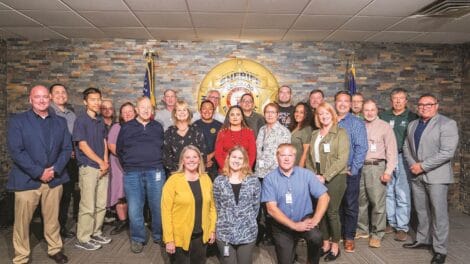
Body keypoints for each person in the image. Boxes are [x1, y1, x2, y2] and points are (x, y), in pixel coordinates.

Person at [7, 85, 72, 264]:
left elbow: (67, 149)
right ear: (31, 99)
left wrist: (54, 169)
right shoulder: (18, 121)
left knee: (53, 219)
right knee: (22, 222)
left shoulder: (60, 122)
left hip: (54, 179)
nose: (42, 100)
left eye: (45, 97)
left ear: (49, 99)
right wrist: (39, 172)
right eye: (37, 97)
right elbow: (16, 151)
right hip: (27, 180)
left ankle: (55, 249)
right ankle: (21, 256)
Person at [402, 94, 458, 264]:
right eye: (421, 104)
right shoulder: (412, 124)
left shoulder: (447, 124)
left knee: (438, 214)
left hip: (437, 176)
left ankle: (440, 249)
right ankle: (422, 239)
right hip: (416, 175)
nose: (424, 107)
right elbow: (406, 146)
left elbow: (447, 152)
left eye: (429, 104)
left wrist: (423, 166)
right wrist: (414, 165)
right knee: (421, 211)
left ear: (436, 105)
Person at [262, 143, 330, 264]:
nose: (287, 158)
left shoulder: (306, 174)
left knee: (316, 237)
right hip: (281, 225)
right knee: (286, 261)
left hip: (304, 220)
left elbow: (324, 197)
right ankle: (291, 254)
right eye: (283, 155)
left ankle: (312, 261)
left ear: (295, 157)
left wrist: (315, 219)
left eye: (290, 155)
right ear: (277, 157)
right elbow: (271, 209)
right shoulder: (269, 179)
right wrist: (294, 226)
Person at [116, 97, 166, 253]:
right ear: (136, 109)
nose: (146, 110)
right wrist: (131, 165)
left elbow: (163, 148)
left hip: (155, 171)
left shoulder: (158, 127)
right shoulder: (126, 127)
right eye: (142, 107)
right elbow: (120, 150)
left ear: (152, 110)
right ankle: (138, 238)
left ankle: (159, 235)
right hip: (133, 172)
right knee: (135, 207)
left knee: (157, 206)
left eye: (149, 107)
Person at [306, 102, 350, 261]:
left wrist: (325, 176)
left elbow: (342, 159)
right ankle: (324, 243)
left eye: (327, 113)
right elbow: (310, 159)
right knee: (321, 212)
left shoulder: (341, 133)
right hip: (317, 177)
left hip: (335, 177)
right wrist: (313, 175)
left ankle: (335, 245)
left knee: (332, 212)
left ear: (332, 114)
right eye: (320, 114)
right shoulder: (315, 134)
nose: (324, 116)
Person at [162, 145, 217, 264]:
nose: (191, 160)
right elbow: (166, 212)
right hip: (179, 238)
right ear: (182, 160)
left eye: (194, 157)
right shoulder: (173, 180)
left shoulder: (206, 178)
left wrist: (212, 230)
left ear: (199, 160)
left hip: (201, 237)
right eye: (187, 157)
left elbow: (212, 207)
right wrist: (169, 239)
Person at [73, 87, 111, 250]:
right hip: (88, 167)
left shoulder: (100, 120)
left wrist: (105, 161)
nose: (97, 102)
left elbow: (104, 142)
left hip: (102, 167)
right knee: (88, 204)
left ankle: (96, 232)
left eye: (98, 99)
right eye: (93, 99)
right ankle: (83, 237)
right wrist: (99, 162)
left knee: (101, 203)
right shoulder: (80, 120)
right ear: (85, 102)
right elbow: (82, 145)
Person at [356, 100, 397, 248]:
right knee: (361, 201)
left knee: (377, 203)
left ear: (377, 110)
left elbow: (392, 151)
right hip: (360, 167)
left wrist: (388, 171)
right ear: (362, 111)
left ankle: (377, 233)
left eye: (372, 109)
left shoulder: (385, 127)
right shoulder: (359, 125)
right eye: (366, 110)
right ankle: (362, 229)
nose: (369, 112)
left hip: (376, 167)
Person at [379, 88, 418, 241]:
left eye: (401, 98)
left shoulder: (412, 117)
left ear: (406, 101)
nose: (398, 101)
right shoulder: (383, 116)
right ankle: (392, 222)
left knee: (402, 192)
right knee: (388, 191)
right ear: (391, 100)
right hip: (386, 157)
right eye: (395, 98)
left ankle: (402, 227)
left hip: (402, 157)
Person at [213, 146, 261, 264]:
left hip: (247, 232)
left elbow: (256, 206)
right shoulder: (219, 181)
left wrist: (244, 220)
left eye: (240, 158)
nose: (236, 160)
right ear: (228, 158)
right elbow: (217, 206)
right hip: (225, 234)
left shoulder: (253, 181)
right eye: (234, 157)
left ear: (245, 161)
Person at [334, 91, 368, 253]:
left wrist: (354, 169)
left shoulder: (356, 123)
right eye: (339, 101)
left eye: (346, 101)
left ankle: (349, 237)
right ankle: (337, 235)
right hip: (331, 172)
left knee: (350, 205)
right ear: (334, 103)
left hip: (348, 172)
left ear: (350, 104)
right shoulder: (328, 119)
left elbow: (361, 147)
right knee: (334, 205)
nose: (342, 104)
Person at [49, 83, 78, 239]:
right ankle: (51, 231)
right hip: (53, 162)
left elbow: (74, 138)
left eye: (63, 92)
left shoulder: (71, 115)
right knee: (52, 198)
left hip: (70, 162)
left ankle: (61, 228)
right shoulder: (47, 112)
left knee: (66, 195)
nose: (61, 95)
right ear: (51, 96)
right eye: (57, 92)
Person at [106, 102, 136, 236]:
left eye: (130, 111)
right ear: (121, 114)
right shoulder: (116, 127)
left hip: (134, 165)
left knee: (131, 193)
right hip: (119, 164)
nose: (128, 114)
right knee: (119, 193)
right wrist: (126, 158)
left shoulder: (138, 127)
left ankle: (131, 220)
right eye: (125, 112)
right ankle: (122, 221)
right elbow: (111, 146)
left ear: (135, 113)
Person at [163, 100, 207, 174]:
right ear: (175, 114)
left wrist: (193, 169)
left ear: (188, 113)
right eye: (179, 110)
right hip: (175, 173)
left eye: (184, 110)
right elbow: (165, 155)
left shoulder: (196, 130)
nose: (182, 112)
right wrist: (178, 170)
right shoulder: (169, 131)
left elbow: (202, 154)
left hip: (194, 171)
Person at [255, 103, 291, 179]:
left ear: (277, 115)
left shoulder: (284, 132)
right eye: (267, 112)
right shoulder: (262, 129)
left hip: (275, 174)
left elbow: (285, 156)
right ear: (264, 114)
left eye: (273, 112)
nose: (270, 115)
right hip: (259, 172)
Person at [215, 105, 256, 170]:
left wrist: (246, 170)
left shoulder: (249, 132)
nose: (235, 117)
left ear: (242, 117)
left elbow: (252, 154)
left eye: (238, 114)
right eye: (232, 115)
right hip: (225, 171)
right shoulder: (222, 133)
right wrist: (226, 170)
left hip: (244, 170)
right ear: (228, 117)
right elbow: (218, 155)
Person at [193, 100, 223, 180]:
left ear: (214, 111)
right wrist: (203, 160)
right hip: (198, 164)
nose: (207, 111)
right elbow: (192, 146)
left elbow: (223, 145)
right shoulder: (194, 126)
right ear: (200, 110)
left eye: (210, 109)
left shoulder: (220, 126)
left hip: (216, 164)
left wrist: (210, 157)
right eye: (204, 108)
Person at [289, 102, 313, 167]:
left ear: (306, 115)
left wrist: (300, 169)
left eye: (301, 112)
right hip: (290, 165)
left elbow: (306, 152)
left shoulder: (307, 129)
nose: (298, 114)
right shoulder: (294, 127)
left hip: (298, 166)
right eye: (296, 111)